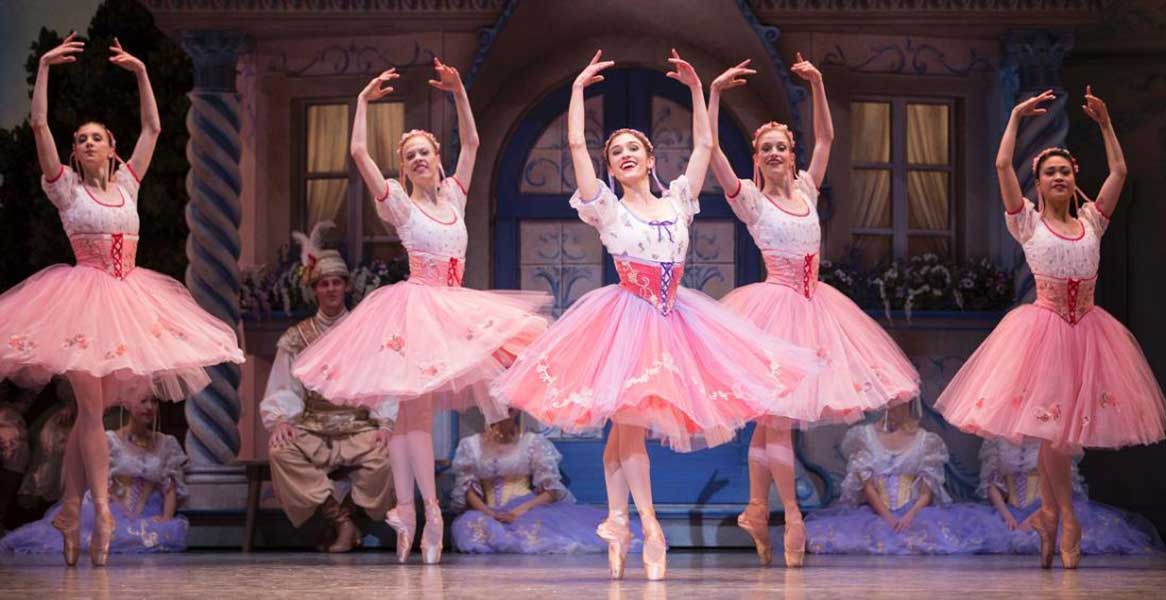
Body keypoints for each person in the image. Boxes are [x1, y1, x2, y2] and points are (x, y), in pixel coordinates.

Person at [490, 50, 822, 581]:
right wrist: (576, 88)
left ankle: (620, 522)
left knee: (626, 434)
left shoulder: (679, 201)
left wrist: (700, 90)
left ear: (649, 160)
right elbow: (576, 143)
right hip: (624, 321)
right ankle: (647, 524)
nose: (623, 154)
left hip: (675, 322)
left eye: (632, 149)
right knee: (627, 431)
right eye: (615, 151)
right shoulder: (605, 206)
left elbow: (706, 145)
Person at [291, 59, 550, 564]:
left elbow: (473, 144)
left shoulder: (453, 193)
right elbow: (359, 152)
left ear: (436, 156)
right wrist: (364, 102)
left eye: (423, 153)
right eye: (409, 156)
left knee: (421, 418)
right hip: (415, 308)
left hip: (453, 310)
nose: (416, 160)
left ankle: (423, 512)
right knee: (408, 417)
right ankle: (416, 510)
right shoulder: (399, 206)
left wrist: (457, 93)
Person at [0, 32, 244, 567]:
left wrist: (139, 72)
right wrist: (42, 66)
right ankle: (103, 511)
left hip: (130, 299)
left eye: (96, 138)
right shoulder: (64, 188)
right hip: (81, 300)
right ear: (74, 152)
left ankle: (69, 506)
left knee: (97, 413)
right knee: (89, 408)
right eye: (80, 139)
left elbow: (155, 127)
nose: (88, 144)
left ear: (111, 146)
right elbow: (39, 124)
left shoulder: (129, 185)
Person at [934, 87, 1166, 568]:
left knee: (1055, 439)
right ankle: (1067, 518)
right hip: (1042, 336)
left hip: (1089, 337)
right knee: (1056, 439)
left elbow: (1121, 172)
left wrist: (1105, 125)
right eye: (1049, 173)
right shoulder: (1028, 224)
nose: (1058, 177)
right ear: (1038, 184)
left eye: (1064, 171)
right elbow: (1002, 168)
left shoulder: (1092, 223)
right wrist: (1017, 118)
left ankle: (1046, 513)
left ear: (1073, 178)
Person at [708, 54, 920, 567]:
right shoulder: (751, 202)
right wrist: (713, 95)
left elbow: (826, 139)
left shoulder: (805, 189)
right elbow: (710, 148)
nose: (776, 153)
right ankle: (793, 520)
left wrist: (819, 85)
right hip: (772, 313)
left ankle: (757, 510)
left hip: (815, 308)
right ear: (756, 159)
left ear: (791, 154)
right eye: (767, 149)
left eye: (782, 146)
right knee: (776, 422)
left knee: (770, 424)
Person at [261, 223, 393, 552]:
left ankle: (349, 521)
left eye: (336, 283)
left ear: (346, 287)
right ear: (315, 289)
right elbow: (284, 387)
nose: (331, 289)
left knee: (389, 457)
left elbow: (383, 380)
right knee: (280, 451)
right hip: (313, 425)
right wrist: (280, 419)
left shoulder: (367, 333)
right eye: (324, 284)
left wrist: (386, 422)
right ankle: (341, 521)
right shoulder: (298, 336)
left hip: (358, 424)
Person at [1, 395, 190, 555]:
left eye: (154, 402)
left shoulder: (166, 443)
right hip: (113, 508)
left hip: (149, 513)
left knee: (159, 535)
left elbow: (169, 486)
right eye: (143, 401)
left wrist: (166, 517)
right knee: (84, 536)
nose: (149, 407)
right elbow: (98, 480)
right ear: (127, 404)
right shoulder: (110, 440)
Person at [805, 403, 999, 554]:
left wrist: (910, 515)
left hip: (913, 513)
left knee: (932, 538)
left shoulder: (925, 440)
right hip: (877, 513)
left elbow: (926, 491)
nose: (897, 407)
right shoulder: (864, 436)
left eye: (904, 403)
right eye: (893, 403)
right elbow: (868, 488)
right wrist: (887, 516)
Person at [449, 411, 641, 554]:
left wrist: (518, 511)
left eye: (510, 408)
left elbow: (551, 490)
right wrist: (488, 512)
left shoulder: (532, 442)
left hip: (524, 507)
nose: (505, 413)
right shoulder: (472, 445)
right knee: (470, 530)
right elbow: (467, 487)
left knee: (538, 533)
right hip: (488, 509)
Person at [978, 438, 1164, 555]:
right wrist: (1007, 516)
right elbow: (993, 484)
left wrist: (1040, 514)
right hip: (1009, 513)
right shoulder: (999, 439)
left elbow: (1061, 486)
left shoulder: (1053, 438)